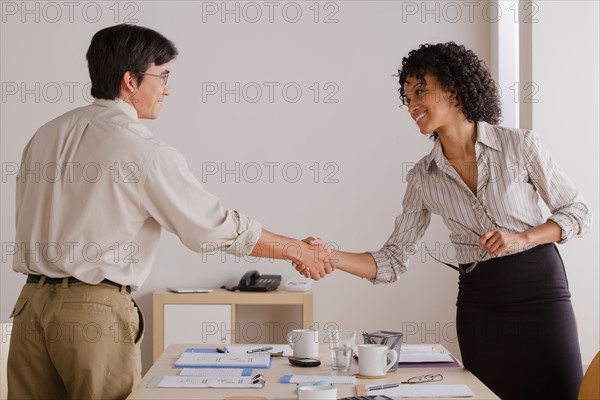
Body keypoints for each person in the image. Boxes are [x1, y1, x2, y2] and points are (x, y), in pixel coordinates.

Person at [7, 24, 333, 400]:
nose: (167, 89)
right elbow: (211, 228)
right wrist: (296, 249)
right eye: (162, 77)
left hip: (30, 308)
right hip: (91, 312)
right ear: (131, 81)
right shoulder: (142, 150)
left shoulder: (44, 136)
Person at [295, 42, 592, 399]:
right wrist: (331, 256)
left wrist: (522, 238)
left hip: (540, 294)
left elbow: (577, 212)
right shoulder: (424, 176)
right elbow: (391, 260)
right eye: (407, 99)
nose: (412, 106)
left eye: (420, 91)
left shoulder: (520, 146)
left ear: (454, 88)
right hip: (481, 307)